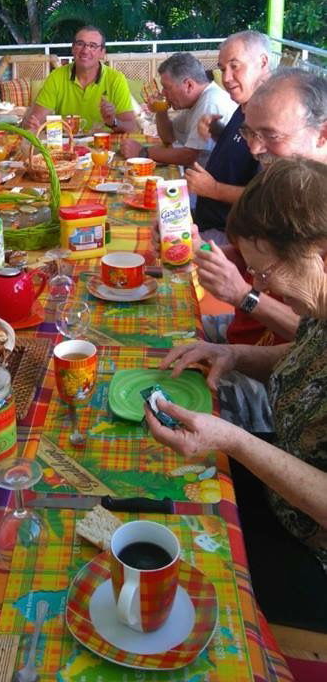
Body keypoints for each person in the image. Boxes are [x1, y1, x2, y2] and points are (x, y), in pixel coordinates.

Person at [145, 158, 327, 632]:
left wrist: (234, 440)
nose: (259, 288)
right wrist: (233, 353)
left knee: (172, 585)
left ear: (319, 253)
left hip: (310, 550)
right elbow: (307, 356)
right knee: (151, 484)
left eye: (264, 274)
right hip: (277, 491)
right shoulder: (320, 308)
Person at [196, 68, 327, 349]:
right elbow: (251, 255)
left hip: (270, 363)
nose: (254, 149)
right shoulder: (281, 183)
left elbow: (314, 342)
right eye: (249, 132)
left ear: (322, 134)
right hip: (239, 333)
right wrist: (198, 249)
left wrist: (244, 295)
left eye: (271, 135)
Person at [186, 30, 271, 244]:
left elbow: (268, 197)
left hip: (229, 235)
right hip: (205, 219)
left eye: (235, 66)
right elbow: (240, 148)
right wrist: (217, 131)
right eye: (223, 69)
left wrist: (213, 189)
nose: (226, 78)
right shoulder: (245, 103)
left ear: (263, 62)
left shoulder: (271, 117)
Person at [121, 52, 235, 166]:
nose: (163, 93)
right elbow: (169, 137)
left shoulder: (209, 104)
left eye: (166, 87)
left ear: (189, 85)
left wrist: (143, 152)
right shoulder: (194, 102)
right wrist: (161, 109)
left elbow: (190, 156)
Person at [23, 26, 136, 134]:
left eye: (93, 46)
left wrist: (112, 121)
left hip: (104, 144)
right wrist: (33, 124)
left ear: (102, 53)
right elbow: (35, 121)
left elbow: (132, 127)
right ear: (73, 48)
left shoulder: (115, 79)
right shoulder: (57, 76)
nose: (85, 50)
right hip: (67, 143)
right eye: (80, 44)